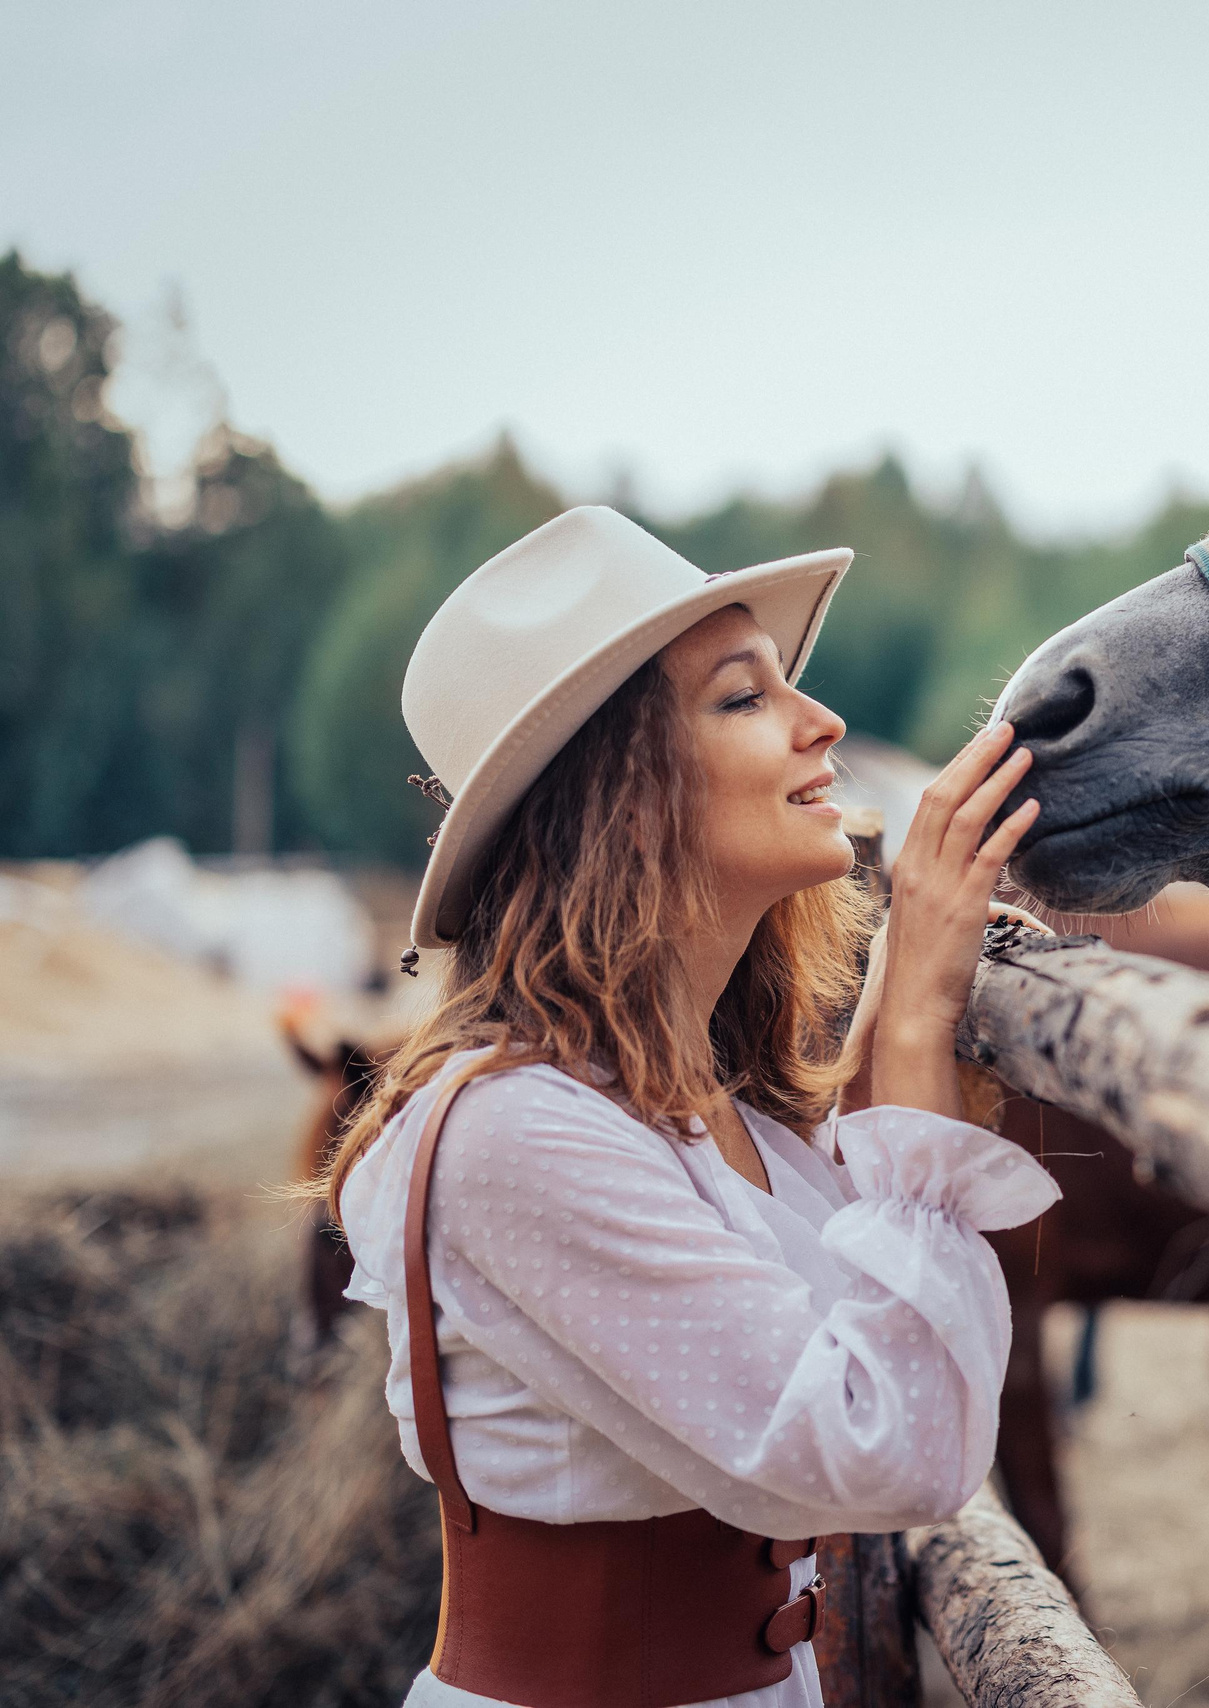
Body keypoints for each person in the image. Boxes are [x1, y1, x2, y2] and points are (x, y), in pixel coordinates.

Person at [324, 506, 1059, 1708]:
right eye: (741, 696)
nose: (821, 721)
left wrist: (890, 1048)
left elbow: (866, 1325)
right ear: (619, 792)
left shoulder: (716, 1113)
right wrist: (920, 1020)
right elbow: (897, 1447)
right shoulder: (515, 1134)